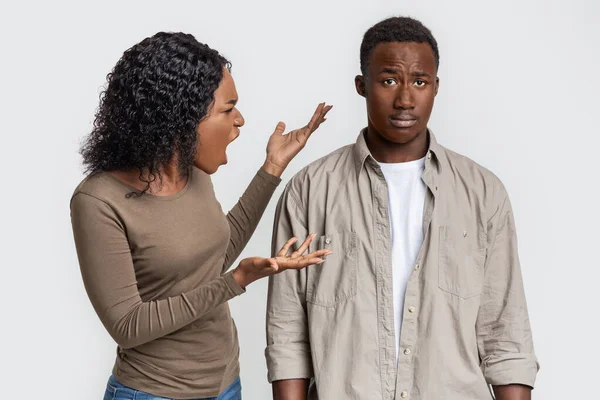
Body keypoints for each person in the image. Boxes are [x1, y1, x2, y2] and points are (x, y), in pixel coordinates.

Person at [266, 16, 539, 400]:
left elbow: (505, 333)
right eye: (389, 80)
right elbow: (288, 333)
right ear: (362, 86)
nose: (405, 99)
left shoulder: (482, 193)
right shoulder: (309, 191)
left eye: (420, 82)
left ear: (436, 87)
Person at [70, 31, 332, 400]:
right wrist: (236, 281)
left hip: (225, 385)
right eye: (227, 109)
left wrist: (272, 167)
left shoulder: (193, 175)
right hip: (153, 393)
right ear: (181, 117)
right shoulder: (98, 201)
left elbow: (214, 257)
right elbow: (127, 325)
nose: (239, 119)